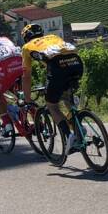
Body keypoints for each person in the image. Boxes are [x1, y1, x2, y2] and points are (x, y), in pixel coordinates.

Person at [19, 23, 84, 155]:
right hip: (76, 63)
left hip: (58, 67)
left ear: (26, 38)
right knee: (66, 94)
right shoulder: (53, 37)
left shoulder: (27, 47)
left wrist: (27, 99)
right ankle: (78, 126)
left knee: (51, 105)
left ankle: (69, 136)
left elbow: (26, 76)